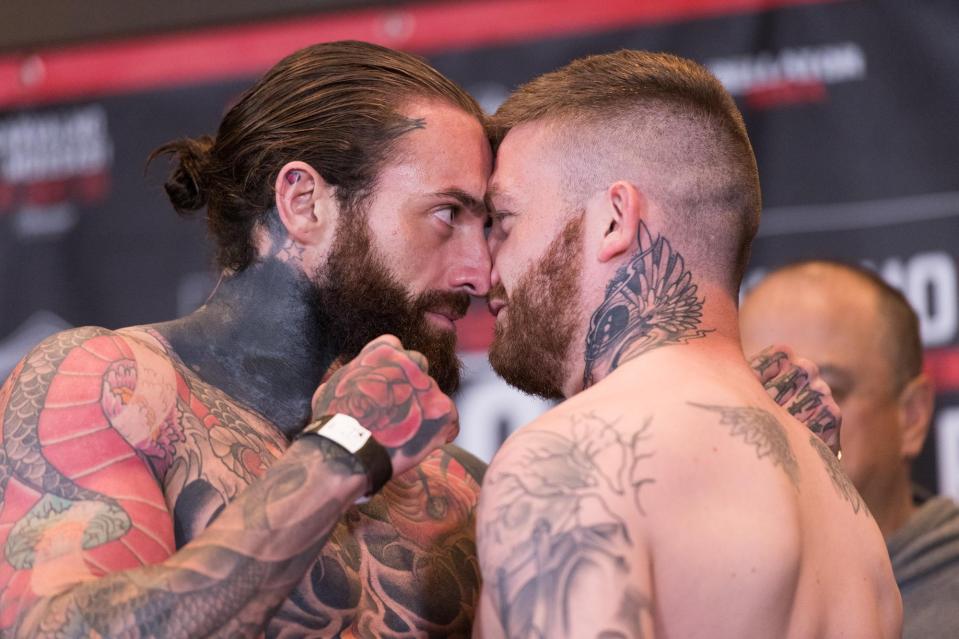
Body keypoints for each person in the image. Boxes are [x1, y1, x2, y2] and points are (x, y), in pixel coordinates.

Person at [0, 40, 840, 637]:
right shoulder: (111, 387)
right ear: (304, 203)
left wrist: (732, 455)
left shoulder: (459, 490)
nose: (481, 271)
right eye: (447, 215)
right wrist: (335, 457)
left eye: (490, 222)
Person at [474, 50, 902, 638]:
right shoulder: (847, 515)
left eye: (503, 219)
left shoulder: (574, 462)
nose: (483, 263)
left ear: (614, 220)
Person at [741, 260, 959, 639]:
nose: (785, 414)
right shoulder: (696, 588)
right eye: (761, 391)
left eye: (826, 391)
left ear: (912, 416)